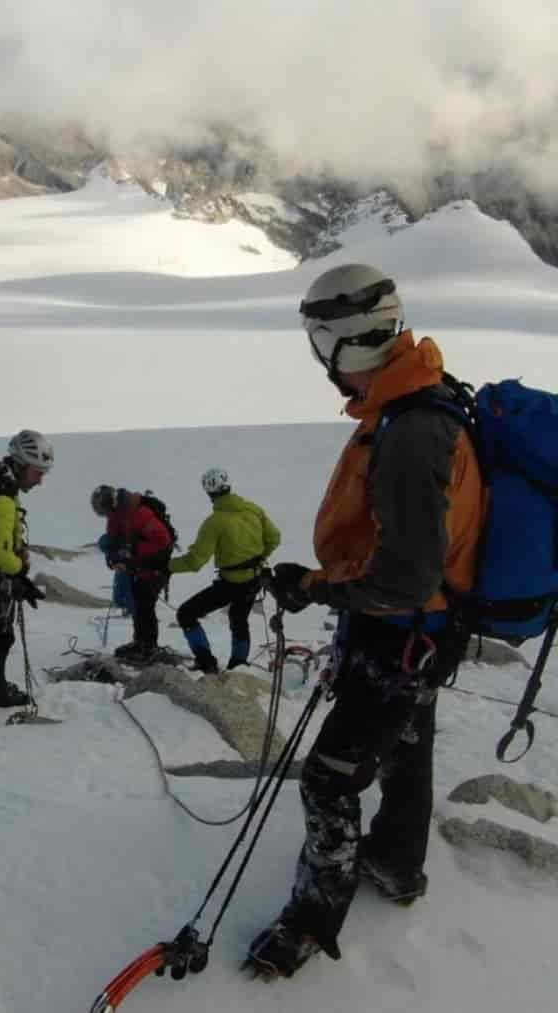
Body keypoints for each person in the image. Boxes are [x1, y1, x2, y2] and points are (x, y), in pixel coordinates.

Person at [246, 264, 485, 979]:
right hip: (428, 629)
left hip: (401, 631)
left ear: (342, 345)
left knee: (328, 777)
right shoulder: (417, 400)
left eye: (321, 344)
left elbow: (403, 575)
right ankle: (399, 865)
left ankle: (311, 922)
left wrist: (318, 587)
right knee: (408, 746)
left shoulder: (411, 431)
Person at [165, 467, 280, 673]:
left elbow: (195, 561)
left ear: (209, 493)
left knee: (186, 614)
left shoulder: (214, 523)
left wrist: (168, 566)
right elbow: (274, 537)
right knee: (239, 618)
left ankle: (206, 661)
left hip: (231, 582)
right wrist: (260, 558)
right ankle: (238, 664)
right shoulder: (253, 509)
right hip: (253, 579)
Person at [0, 429, 52, 708]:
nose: (40, 481)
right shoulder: (2, 497)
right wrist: (20, 569)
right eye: (38, 472)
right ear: (23, 464)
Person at [91, 485, 174, 663]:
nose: (105, 515)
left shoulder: (140, 513)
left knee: (145, 603)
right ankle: (140, 642)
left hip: (156, 565)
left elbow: (163, 541)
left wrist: (132, 549)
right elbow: (114, 540)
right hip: (138, 566)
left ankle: (149, 646)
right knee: (138, 602)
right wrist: (113, 557)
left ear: (111, 503)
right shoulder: (116, 516)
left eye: (104, 510)